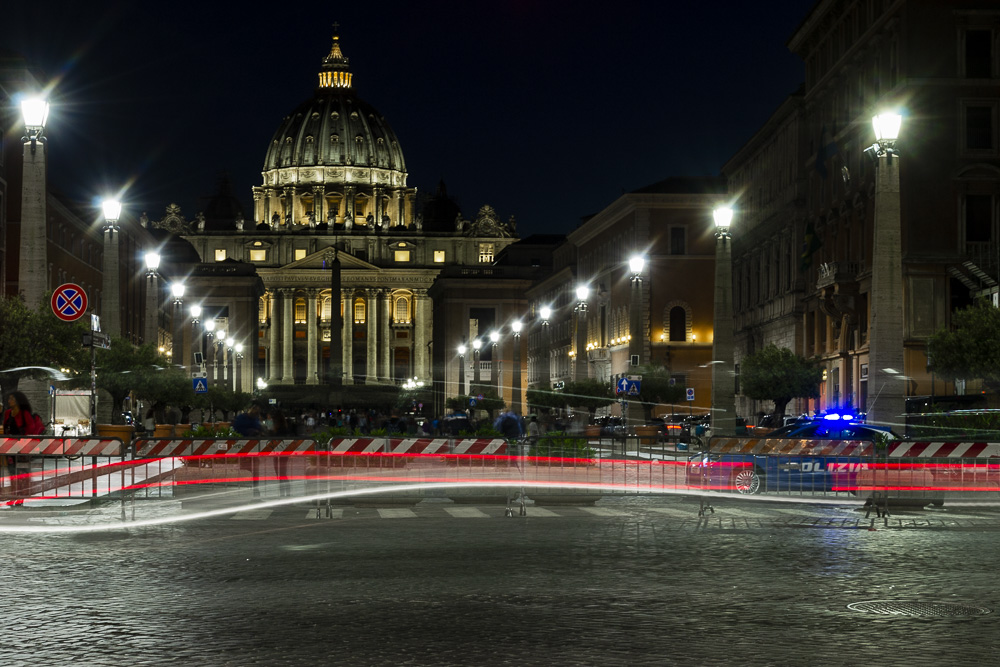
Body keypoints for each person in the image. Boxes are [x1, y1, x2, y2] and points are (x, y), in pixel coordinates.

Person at [3, 392, 44, 491]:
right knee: (12, 473)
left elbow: (31, 429)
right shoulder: (8, 413)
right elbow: (5, 428)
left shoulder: (24, 414)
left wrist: (23, 442)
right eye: (9, 399)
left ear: (18, 401)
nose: (9, 401)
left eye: (12, 399)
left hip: (23, 449)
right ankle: (14, 493)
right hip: (10, 449)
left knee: (22, 473)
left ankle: (21, 495)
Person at [232, 404, 264, 496]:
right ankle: (246, 489)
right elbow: (237, 429)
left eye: (257, 413)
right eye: (255, 412)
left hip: (254, 447)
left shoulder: (255, 419)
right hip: (243, 446)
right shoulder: (242, 418)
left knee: (255, 469)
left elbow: (259, 427)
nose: (256, 414)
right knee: (246, 468)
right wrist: (249, 431)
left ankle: (255, 489)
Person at [269, 410, 293, 497]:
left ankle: (284, 494)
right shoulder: (285, 428)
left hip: (279, 453)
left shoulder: (280, 429)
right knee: (282, 474)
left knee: (281, 474)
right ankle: (285, 494)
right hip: (283, 453)